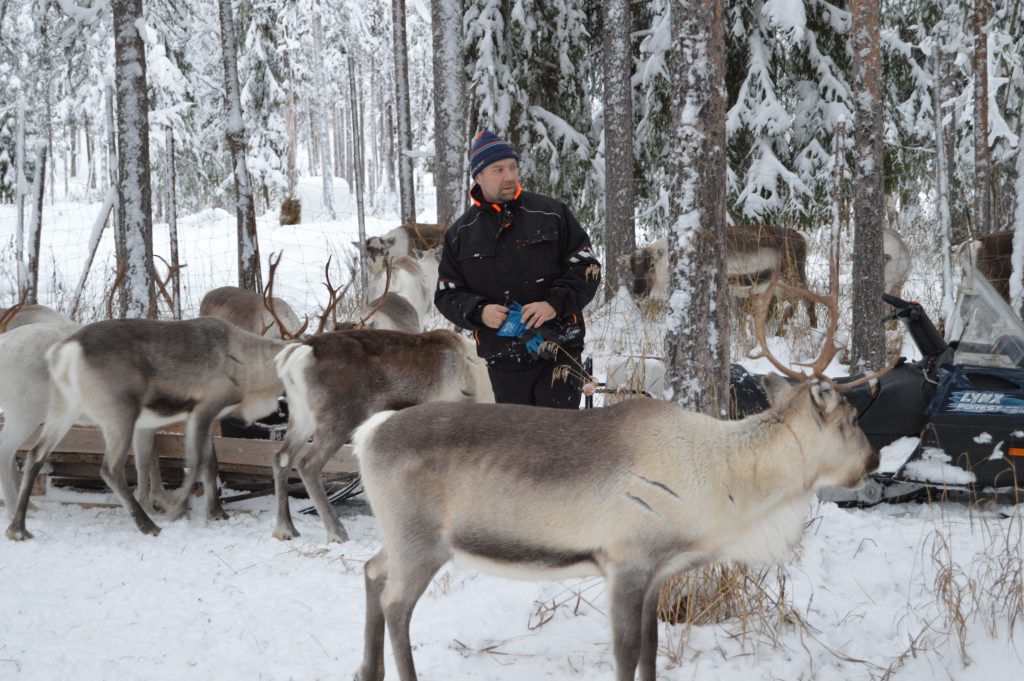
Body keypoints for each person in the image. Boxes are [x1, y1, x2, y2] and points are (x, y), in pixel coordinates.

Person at [434, 130, 601, 408]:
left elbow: (587, 268)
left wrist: (553, 304)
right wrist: (479, 311)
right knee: (516, 448)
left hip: (558, 351)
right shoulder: (461, 234)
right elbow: (446, 295)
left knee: (557, 442)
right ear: (478, 177)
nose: (509, 176)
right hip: (504, 360)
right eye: (498, 169)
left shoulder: (551, 214)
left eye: (512, 167)